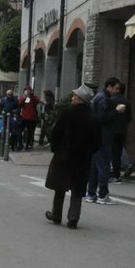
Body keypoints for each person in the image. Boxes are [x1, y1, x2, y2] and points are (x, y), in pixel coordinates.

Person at [45, 86, 102, 229]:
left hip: (64, 155)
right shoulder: (93, 117)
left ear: (80, 99)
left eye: (74, 96)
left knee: (60, 187)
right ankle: (73, 218)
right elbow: (97, 141)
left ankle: (56, 215)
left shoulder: (67, 113)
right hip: (83, 158)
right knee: (78, 188)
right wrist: (89, 152)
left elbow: (56, 132)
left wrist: (55, 148)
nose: (72, 98)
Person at [86, 77, 122, 204]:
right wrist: (116, 111)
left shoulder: (98, 97)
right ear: (109, 87)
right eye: (116, 88)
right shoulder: (103, 99)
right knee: (103, 166)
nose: (117, 91)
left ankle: (91, 194)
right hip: (103, 137)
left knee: (95, 167)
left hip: (96, 136)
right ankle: (102, 194)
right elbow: (102, 118)